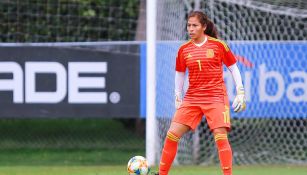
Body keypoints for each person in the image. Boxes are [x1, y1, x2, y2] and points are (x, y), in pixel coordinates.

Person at [154, 11, 246, 175]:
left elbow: (233, 67)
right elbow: (180, 73)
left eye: (194, 25)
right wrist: (177, 95)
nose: (190, 28)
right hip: (192, 98)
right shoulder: (184, 49)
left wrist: (240, 91)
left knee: (220, 135)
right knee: (172, 134)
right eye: (189, 25)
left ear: (203, 27)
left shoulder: (218, 45)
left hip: (216, 96)